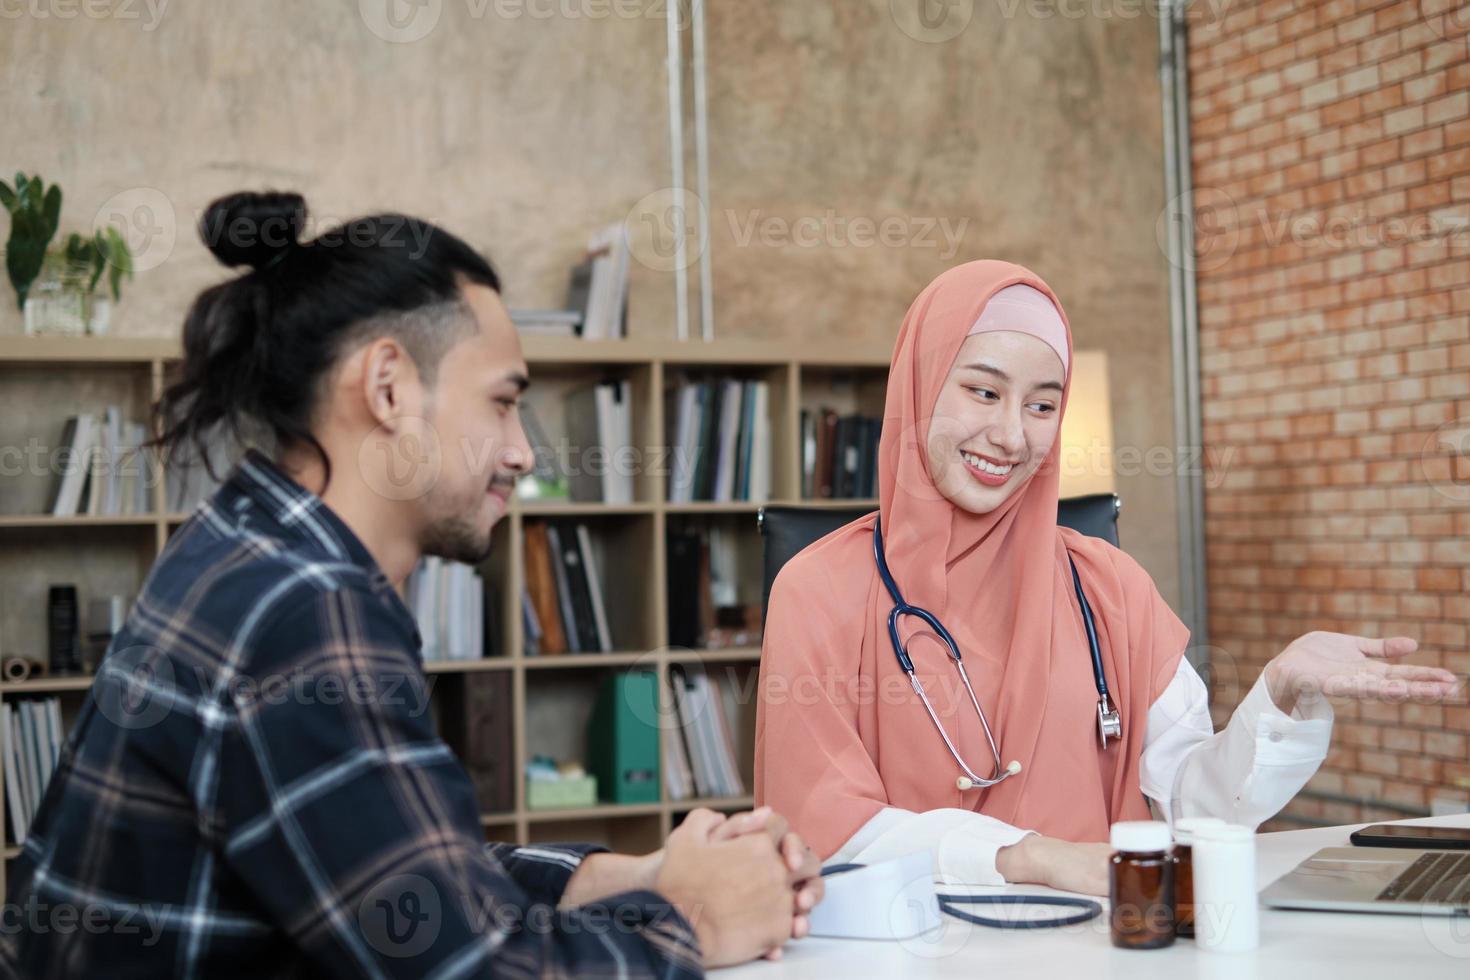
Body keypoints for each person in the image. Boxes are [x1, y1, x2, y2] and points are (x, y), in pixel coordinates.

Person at [2, 191, 822, 978]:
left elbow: (400, 866)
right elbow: (467, 968)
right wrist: (697, 920)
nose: (523, 453)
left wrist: (629, 879)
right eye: (503, 404)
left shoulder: (250, 547)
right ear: (389, 387)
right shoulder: (302, 611)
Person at [754, 259, 1461, 897]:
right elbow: (827, 834)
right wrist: (1035, 857)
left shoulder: (1108, 587)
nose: (1011, 435)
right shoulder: (817, 590)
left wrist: (1274, 698)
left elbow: (1192, 804)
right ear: (920, 385)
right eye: (982, 391)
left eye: (1042, 405)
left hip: (1101, 944)